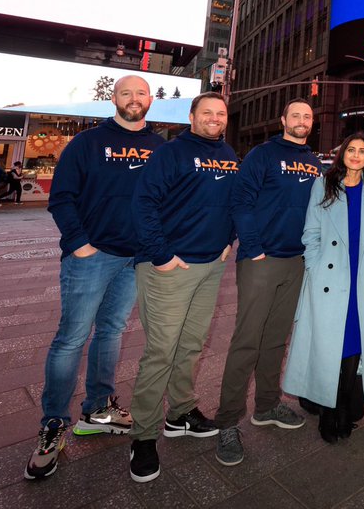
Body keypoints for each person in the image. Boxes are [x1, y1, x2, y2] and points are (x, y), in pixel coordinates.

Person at [25, 75, 164, 481]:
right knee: (71, 338)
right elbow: (62, 196)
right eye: (126, 93)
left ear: (150, 100)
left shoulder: (161, 148)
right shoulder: (87, 143)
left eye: (140, 93)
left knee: (112, 331)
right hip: (92, 255)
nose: (134, 99)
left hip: (134, 258)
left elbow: (167, 200)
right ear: (113, 98)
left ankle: (98, 408)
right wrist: (79, 242)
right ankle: (53, 425)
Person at [126, 92, 240, 483]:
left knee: (191, 345)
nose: (214, 118)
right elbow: (144, 203)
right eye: (206, 112)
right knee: (161, 350)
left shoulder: (228, 152)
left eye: (220, 113)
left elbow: (235, 202)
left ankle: (179, 414)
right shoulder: (171, 152)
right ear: (192, 116)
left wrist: (230, 239)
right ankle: (142, 436)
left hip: (210, 265)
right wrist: (161, 255)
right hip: (170, 267)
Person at [215, 99, 321, 468]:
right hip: (262, 260)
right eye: (296, 116)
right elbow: (240, 202)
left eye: (308, 117)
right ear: (283, 119)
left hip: (296, 261)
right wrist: (254, 248)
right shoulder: (263, 154)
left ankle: (267, 405)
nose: (302, 121)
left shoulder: (313, 162)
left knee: (276, 338)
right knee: (247, 341)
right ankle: (227, 421)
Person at [283, 133, 364, 444]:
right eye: (350, 150)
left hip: (361, 281)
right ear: (342, 155)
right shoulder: (324, 185)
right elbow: (310, 232)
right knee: (330, 348)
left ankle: (344, 409)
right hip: (329, 279)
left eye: (362, 151)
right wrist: (314, 268)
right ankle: (328, 414)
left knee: (354, 345)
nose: (355, 155)